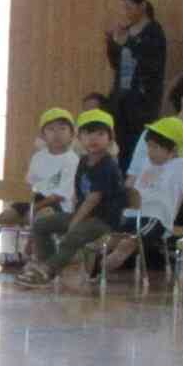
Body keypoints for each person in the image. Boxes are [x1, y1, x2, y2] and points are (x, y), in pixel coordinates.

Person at [16, 110, 128, 288]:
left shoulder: (108, 165)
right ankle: (46, 267)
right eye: (87, 133)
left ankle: (47, 270)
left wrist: (74, 222)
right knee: (41, 225)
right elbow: (78, 195)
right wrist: (73, 217)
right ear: (79, 138)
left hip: (104, 220)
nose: (93, 139)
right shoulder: (83, 161)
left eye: (100, 134)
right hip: (84, 215)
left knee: (73, 235)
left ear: (110, 138)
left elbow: (92, 199)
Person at [0, 106, 79, 269]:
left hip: (58, 205)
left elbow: (60, 195)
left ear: (72, 134)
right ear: (43, 135)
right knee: (2, 218)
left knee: (41, 217)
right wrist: (26, 207)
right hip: (34, 199)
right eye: (51, 129)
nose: (57, 133)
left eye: (62, 129)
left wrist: (32, 210)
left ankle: (25, 254)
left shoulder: (72, 160)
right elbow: (29, 185)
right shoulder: (39, 157)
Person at [102, 116, 183, 274]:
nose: (150, 152)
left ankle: (101, 270)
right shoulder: (146, 162)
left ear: (174, 150)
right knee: (108, 241)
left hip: (156, 218)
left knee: (127, 244)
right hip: (132, 214)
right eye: (149, 146)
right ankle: (95, 270)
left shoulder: (181, 165)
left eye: (156, 147)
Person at [105, 0, 166, 164]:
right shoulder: (126, 29)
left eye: (129, 7)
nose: (125, 12)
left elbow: (150, 64)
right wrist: (113, 44)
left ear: (142, 6)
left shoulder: (154, 31)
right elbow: (117, 64)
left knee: (137, 144)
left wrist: (128, 44)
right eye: (122, 7)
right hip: (121, 97)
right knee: (119, 143)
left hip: (142, 100)